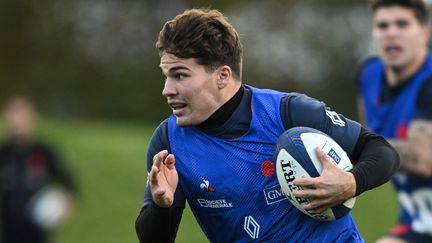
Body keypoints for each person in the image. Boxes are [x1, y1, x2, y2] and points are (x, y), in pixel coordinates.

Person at [136, 8, 400, 243]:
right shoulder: (169, 145)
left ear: (222, 76)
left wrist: (351, 182)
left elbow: (381, 151)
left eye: (180, 75)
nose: (167, 90)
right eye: (166, 76)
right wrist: (161, 205)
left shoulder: (287, 112)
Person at [356, 0, 432, 242]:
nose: (391, 34)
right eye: (383, 25)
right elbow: (368, 135)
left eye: (402, 24)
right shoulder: (367, 76)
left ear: (424, 32)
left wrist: (355, 147)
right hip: (418, 220)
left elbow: (423, 159)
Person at [0, 96, 77, 243]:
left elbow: (69, 185)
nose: (18, 120)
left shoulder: (45, 152)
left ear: (33, 118)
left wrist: (65, 207)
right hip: (7, 233)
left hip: (38, 235)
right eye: (14, 114)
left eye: (22, 114)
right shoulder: (3, 154)